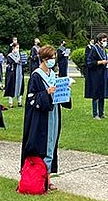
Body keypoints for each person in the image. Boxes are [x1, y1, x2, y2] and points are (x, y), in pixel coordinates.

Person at [21, 46, 72, 191]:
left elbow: (59, 94)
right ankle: (40, 177)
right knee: (41, 144)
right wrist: (46, 92)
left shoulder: (52, 74)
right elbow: (31, 98)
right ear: (44, 59)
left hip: (54, 113)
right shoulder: (36, 76)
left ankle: (48, 176)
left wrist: (65, 90)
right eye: (51, 58)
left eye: (54, 58)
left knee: (51, 144)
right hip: (40, 117)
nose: (53, 61)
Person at [85, 33, 108, 120]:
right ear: (99, 41)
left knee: (102, 94)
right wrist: (100, 62)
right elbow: (89, 63)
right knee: (96, 94)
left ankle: (102, 113)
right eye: (104, 41)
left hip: (103, 74)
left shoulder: (103, 50)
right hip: (95, 75)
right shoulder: (94, 49)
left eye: (106, 41)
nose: (105, 42)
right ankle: (95, 114)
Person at [4, 43, 25, 108]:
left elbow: (23, 62)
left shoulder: (20, 55)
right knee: (11, 87)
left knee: (20, 86)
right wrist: (17, 60)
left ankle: (19, 102)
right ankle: (11, 102)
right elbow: (12, 62)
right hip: (12, 74)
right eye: (16, 47)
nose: (17, 49)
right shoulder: (10, 55)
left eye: (18, 47)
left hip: (20, 73)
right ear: (13, 48)